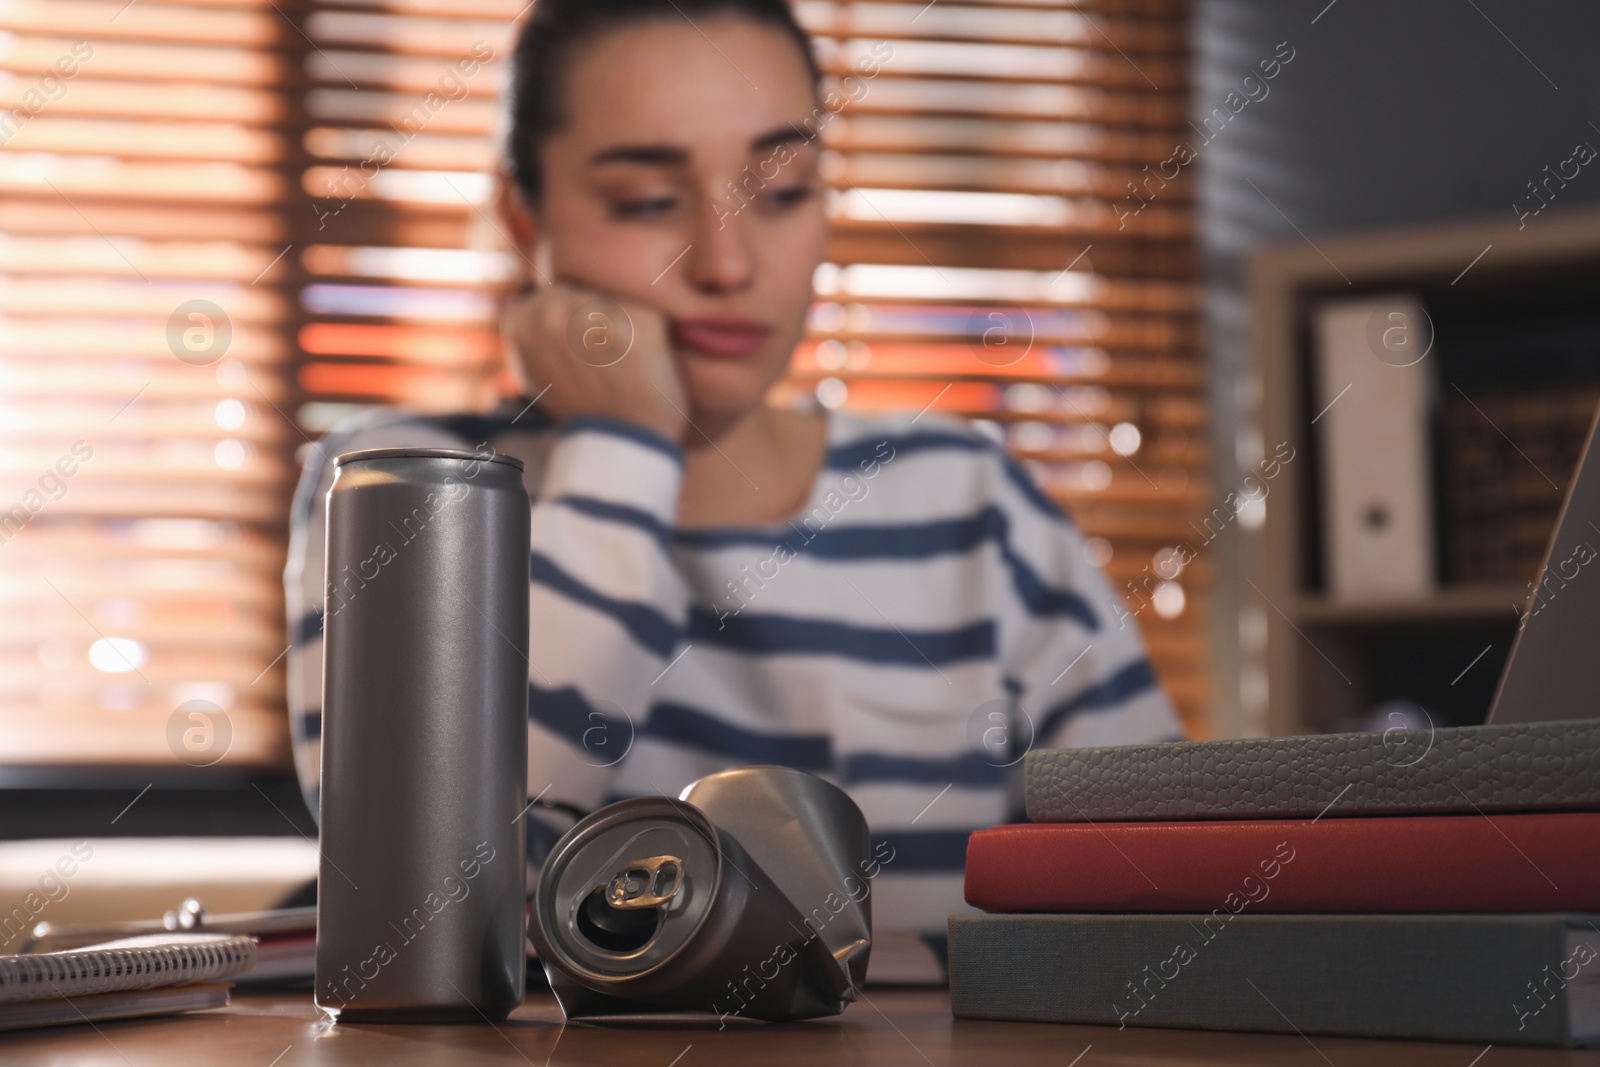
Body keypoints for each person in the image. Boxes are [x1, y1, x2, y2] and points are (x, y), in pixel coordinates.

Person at [285, 0, 1182, 979]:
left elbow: (1157, 899)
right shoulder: (400, 486)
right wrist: (625, 445)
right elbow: (433, 913)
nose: (727, 264)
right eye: (646, 202)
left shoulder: (971, 502)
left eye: (782, 189)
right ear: (521, 218)